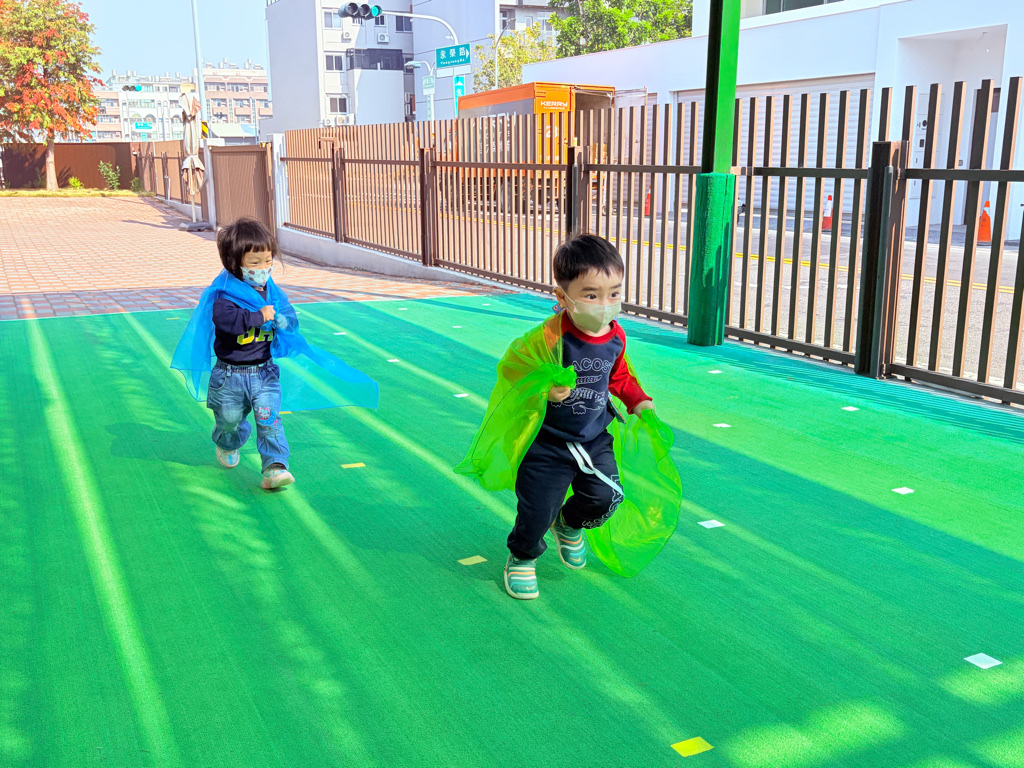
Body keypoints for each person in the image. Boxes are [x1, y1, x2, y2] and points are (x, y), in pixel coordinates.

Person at [458, 234, 656, 600]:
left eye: (614, 293)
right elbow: (515, 370)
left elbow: (618, 374)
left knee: (606, 497)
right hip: (546, 443)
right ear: (563, 297)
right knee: (537, 510)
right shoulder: (548, 338)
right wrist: (544, 389)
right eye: (591, 295)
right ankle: (522, 557)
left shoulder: (615, 336)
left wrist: (638, 400)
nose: (605, 305)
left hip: (593, 437)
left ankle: (567, 523)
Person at [202, 218, 295, 489]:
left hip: (264, 373)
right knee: (229, 420)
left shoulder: (272, 294)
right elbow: (227, 322)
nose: (263, 268)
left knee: (269, 420)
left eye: (268, 260)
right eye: (255, 263)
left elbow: (290, 316)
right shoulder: (225, 296)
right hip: (229, 375)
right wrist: (258, 316)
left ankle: (275, 467)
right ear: (235, 264)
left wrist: (285, 321)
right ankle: (227, 441)